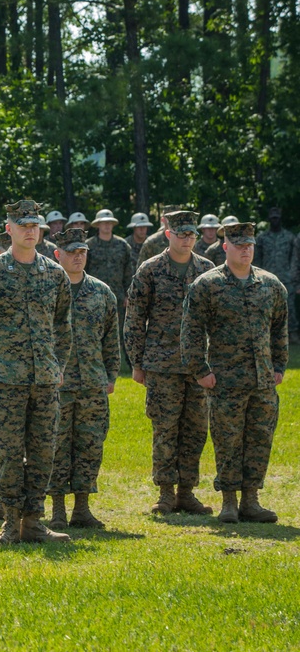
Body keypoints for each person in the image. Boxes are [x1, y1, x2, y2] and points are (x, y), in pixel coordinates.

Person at [0, 200, 72, 544]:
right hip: (6, 379)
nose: (29, 230)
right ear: (8, 229)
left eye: (34, 225)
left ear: (41, 230)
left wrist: (59, 366)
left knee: (43, 451)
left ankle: (34, 522)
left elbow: (63, 325)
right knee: (9, 453)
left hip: (44, 380)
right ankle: (10, 524)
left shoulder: (54, 274)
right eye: (22, 225)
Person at [182, 223, 287, 525]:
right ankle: (229, 500)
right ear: (225, 246)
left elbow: (280, 328)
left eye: (249, 245)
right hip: (225, 379)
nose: (245, 250)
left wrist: (279, 365)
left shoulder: (270, 284)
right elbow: (190, 330)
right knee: (228, 440)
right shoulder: (208, 284)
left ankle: (251, 500)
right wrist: (200, 369)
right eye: (238, 245)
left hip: (262, 380)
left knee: (259, 439)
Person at [125, 210, 215, 515]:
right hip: (161, 363)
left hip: (197, 366)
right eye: (181, 234)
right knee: (165, 428)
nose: (187, 239)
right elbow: (135, 318)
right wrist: (137, 362)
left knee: (196, 428)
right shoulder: (150, 270)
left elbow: (216, 320)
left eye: (191, 234)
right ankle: (165, 492)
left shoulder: (206, 269)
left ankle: (186, 492)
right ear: (169, 235)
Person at [46, 228, 120, 529]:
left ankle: (82, 508)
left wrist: (111, 374)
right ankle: (58, 510)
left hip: (92, 383)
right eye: (72, 252)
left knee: (90, 446)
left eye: (82, 252)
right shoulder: (46, 289)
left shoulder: (102, 292)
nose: (78, 257)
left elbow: (110, 339)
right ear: (57, 255)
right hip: (56, 384)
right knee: (54, 446)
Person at [85, 209, 134, 362]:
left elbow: (128, 272)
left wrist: (128, 294)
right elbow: (83, 270)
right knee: (94, 328)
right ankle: (95, 359)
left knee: (118, 329)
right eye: (103, 223)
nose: (106, 226)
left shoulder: (122, 245)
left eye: (109, 223)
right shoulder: (88, 246)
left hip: (117, 295)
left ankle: (119, 361)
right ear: (97, 225)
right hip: (93, 295)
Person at [255, 207, 299, 344]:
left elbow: (295, 258)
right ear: (269, 219)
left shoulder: (289, 237)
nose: (275, 220)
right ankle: (269, 335)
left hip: (286, 277)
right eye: (273, 218)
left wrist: (293, 276)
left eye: (277, 218)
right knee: (267, 307)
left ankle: (292, 334)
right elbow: (257, 258)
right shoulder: (262, 238)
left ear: (280, 219)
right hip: (266, 277)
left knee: (289, 307)